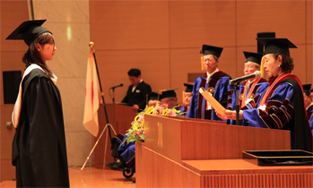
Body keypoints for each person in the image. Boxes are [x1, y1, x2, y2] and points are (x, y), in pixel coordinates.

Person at [218, 38, 312, 151]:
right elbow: (254, 105)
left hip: (287, 148)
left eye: (266, 61)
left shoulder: (287, 86)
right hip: (270, 144)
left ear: (279, 60)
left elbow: (273, 117)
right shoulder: (270, 86)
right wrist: (233, 114)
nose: (264, 66)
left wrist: (243, 114)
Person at [7, 20, 69, 187]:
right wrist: (45, 163)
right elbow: (41, 126)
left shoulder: (36, 75)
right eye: (51, 44)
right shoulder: (38, 80)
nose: (55, 48)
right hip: (38, 153)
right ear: (38, 46)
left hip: (34, 149)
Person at [186, 44, 231, 120]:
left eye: (210, 60)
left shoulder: (225, 80)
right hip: (200, 122)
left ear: (217, 62)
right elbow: (193, 104)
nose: (207, 63)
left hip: (218, 122)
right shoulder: (199, 81)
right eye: (205, 60)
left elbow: (229, 102)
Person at [226, 51, 268, 125]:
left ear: (258, 69)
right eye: (245, 67)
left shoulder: (264, 86)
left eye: (249, 67)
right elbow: (233, 106)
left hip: (252, 123)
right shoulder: (241, 86)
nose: (246, 70)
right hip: (239, 122)